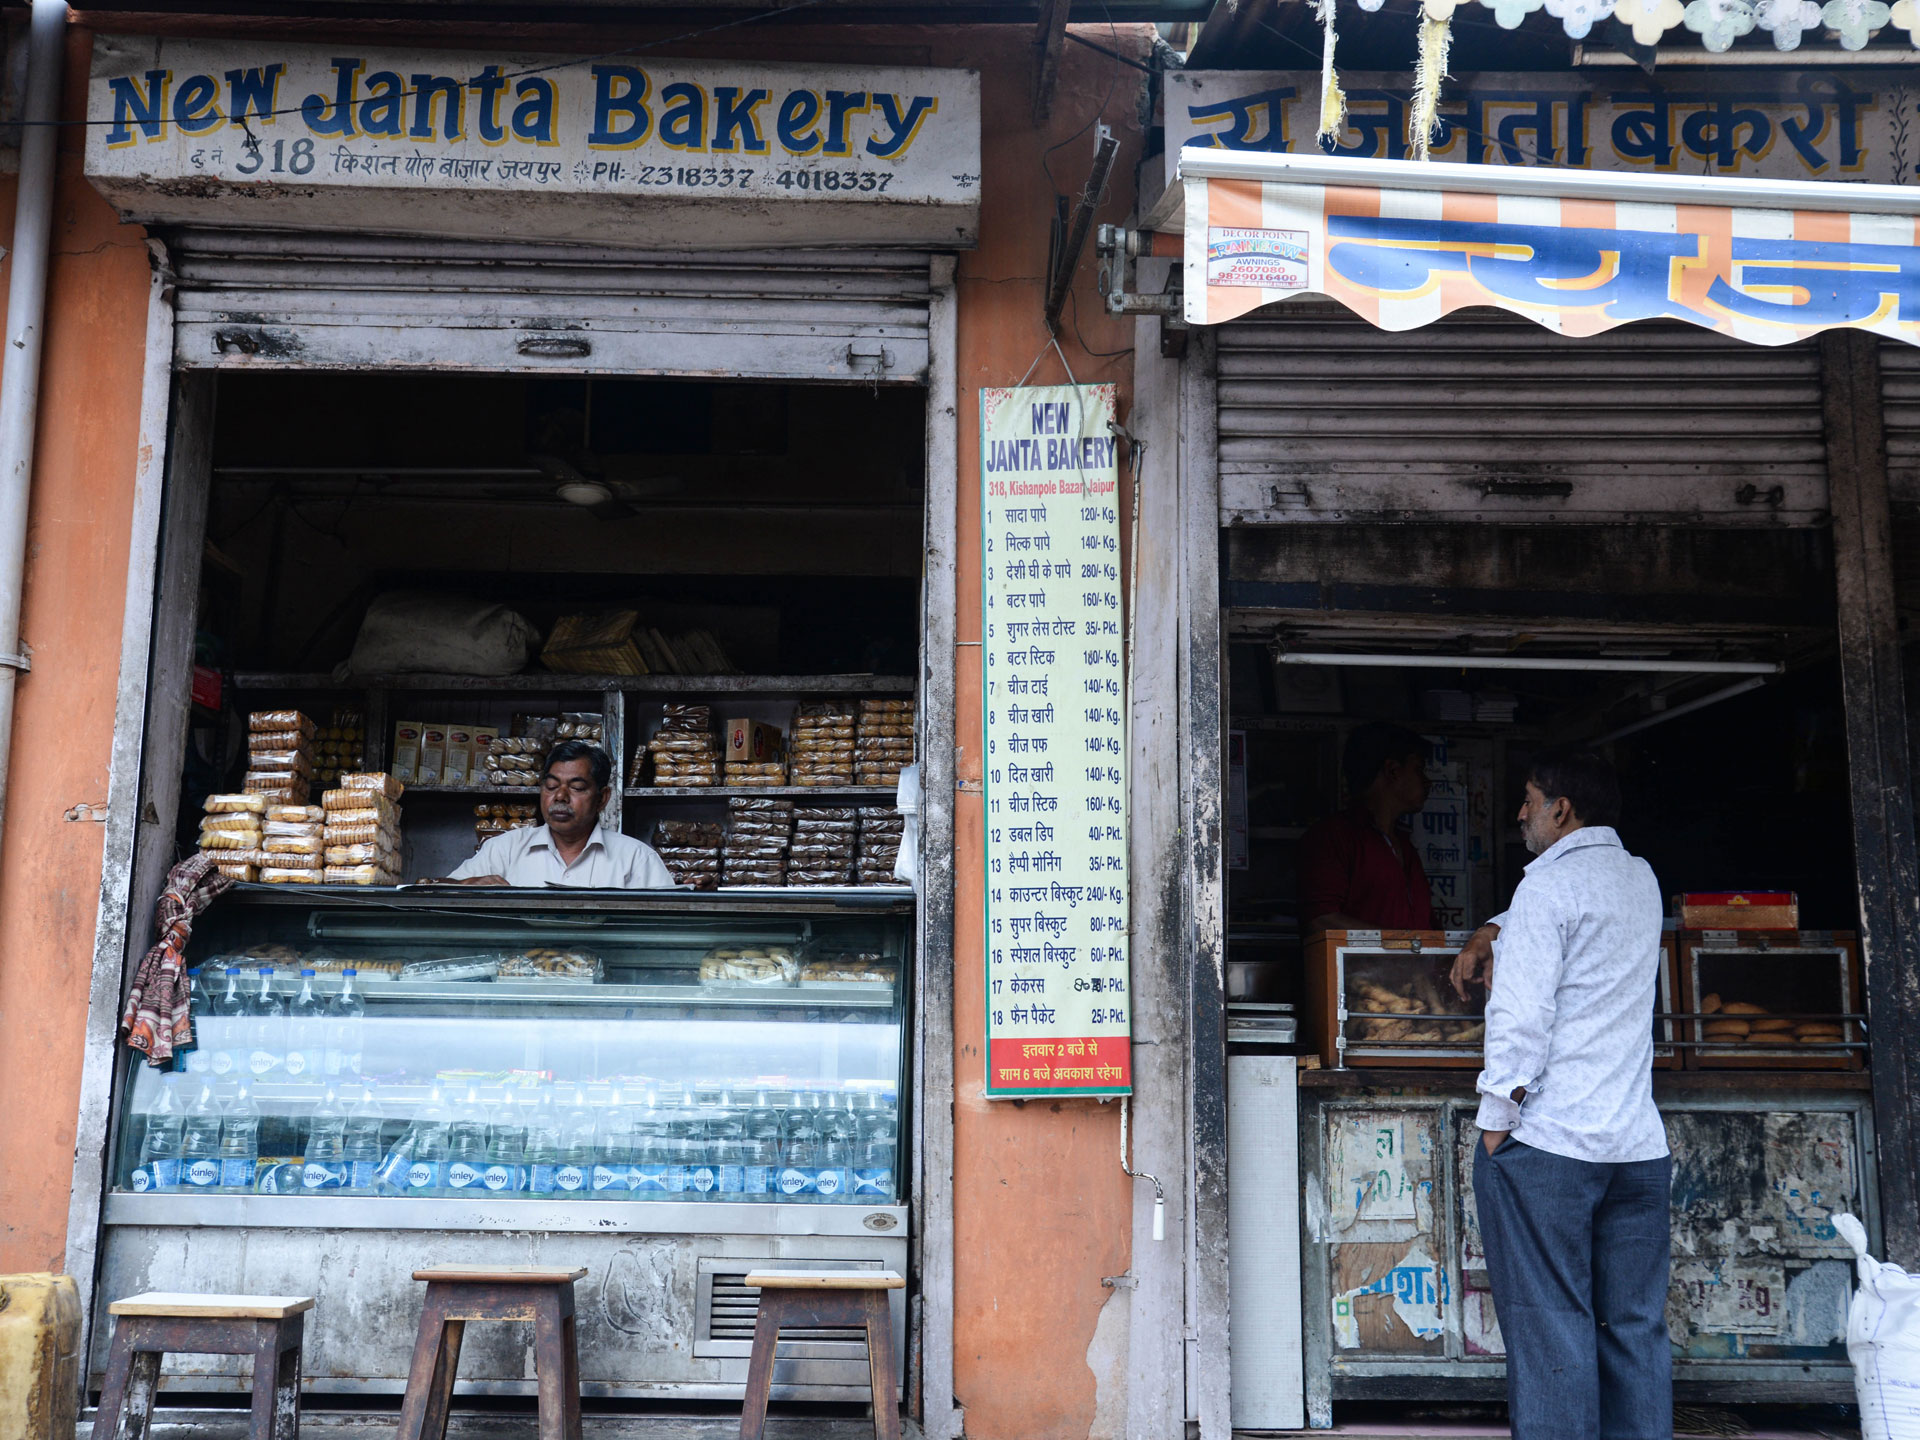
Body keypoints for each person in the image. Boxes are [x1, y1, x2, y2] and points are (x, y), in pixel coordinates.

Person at [1449, 748, 1670, 1440]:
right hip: (1636, 1148)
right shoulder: (1640, 879)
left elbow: (1520, 1019)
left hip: (1550, 1148)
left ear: (1561, 810)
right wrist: (1494, 928)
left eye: (1528, 799)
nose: (1520, 813)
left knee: (1552, 1327)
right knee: (1634, 1328)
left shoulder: (1546, 888)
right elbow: (1582, 925)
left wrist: (1495, 1122)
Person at [436, 740, 674, 888]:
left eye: (577, 788)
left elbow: (665, 926)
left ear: (602, 798)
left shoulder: (636, 858)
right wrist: (468, 884)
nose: (560, 796)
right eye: (551, 786)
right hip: (519, 966)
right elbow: (434, 893)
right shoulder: (504, 850)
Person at [1298, 721, 1436, 932]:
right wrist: (1398, 946)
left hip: (1415, 966)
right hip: (1359, 966)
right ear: (1393, 771)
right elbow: (1321, 920)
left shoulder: (1405, 845)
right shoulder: (1333, 837)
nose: (1427, 782)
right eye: (1418, 770)